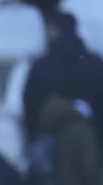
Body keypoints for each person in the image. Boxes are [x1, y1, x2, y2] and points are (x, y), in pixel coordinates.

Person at [23, 11, 103, 149]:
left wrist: (33, 137)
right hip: (91, 142)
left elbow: (30, 104)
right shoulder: (95, 64)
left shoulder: (42, 66)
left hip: (52, 145)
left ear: (55, 30)